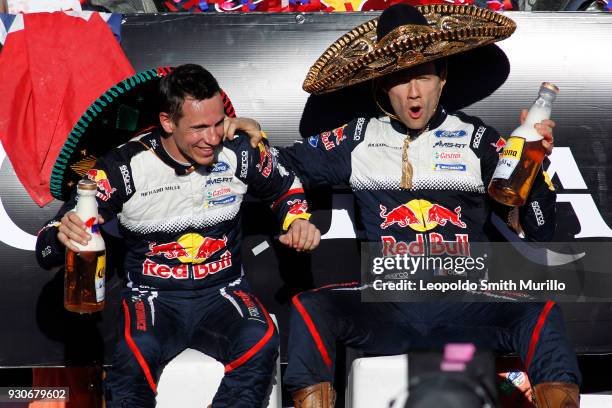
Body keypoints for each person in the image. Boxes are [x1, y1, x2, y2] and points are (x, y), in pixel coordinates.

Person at [240, 4, 580, 407]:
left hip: (463, 304)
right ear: (383, 86)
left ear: (442, 79)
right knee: (311, 307)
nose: (413, 93)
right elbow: (280, 170)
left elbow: (538, 229)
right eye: (400, 80)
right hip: (387, 306)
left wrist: (535, 165)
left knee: (541, 313)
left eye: (423, 76)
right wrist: (248, 139)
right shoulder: (358, 137)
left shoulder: (476, 139)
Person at [35, 64, 321, 407]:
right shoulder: (124, 166)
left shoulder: (238, 150)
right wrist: (59, 237)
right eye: (199, 128)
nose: (212, 138)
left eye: (218, 123)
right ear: (168, 122)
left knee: (261, 342)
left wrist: (297, 220)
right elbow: (48, 243)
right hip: (154, 298)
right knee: (133, 365)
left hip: (223, 292)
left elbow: (286, 184)